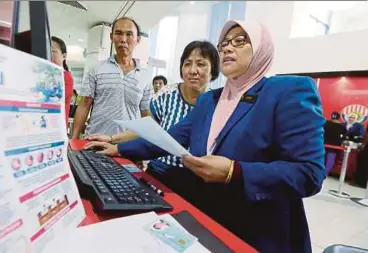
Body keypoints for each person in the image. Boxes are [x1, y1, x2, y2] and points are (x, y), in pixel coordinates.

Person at [85, 20, 326, 253]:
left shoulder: (288, 91)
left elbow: (309, 173)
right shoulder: (209, 100)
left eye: (240, 41)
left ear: (262, 49)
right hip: (207, 220)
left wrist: (236, 172)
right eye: (224, 43)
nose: (228, 47)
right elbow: (168, 139)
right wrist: (118, 148)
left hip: (258, 233)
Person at [86, 41, 220, 193]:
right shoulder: (166, 94)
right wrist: (112, 139)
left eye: (201, 64)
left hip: (195, 180)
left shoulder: (217, 103)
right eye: (187, 63)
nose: (193, 70)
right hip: (159, 172)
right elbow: (147, 128)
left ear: (213, 69)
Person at [71, 17, 153, 139]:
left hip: (126, 147)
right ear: (111, 37)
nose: (123, 40)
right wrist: (74, 139)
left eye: (129, 34)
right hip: (94, 141)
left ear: (138, 40)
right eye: (118, 33)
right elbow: (84, 105)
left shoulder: (145, 77)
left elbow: (146, 114)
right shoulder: (96, 68)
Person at [51, 36, 75, 128]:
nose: (48, 53)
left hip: (57, 127)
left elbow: (54, 99)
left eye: (53, 51)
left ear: (64, 56)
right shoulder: (47, 74)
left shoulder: (66, 77)